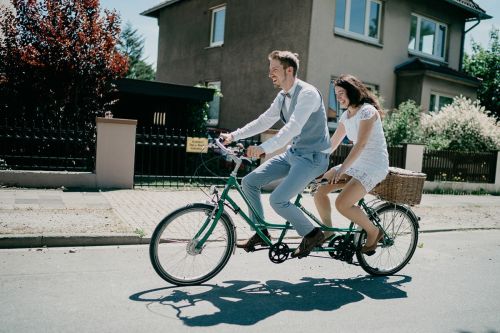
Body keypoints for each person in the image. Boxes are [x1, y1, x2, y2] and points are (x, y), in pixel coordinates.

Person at [220, 50, 331, 258]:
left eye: (275, 70)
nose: (270, 74)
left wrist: (264, 148)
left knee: (278, 199)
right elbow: (263, 121)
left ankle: (313, 233)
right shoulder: (282, 96)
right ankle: (261, 233)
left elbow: (293, 127)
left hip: (313, 158)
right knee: (249, 182)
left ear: (289, 70)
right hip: (294, 154)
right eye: (269, 70)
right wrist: (234, 135)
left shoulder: (308, 94)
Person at [313, 74, 389, 253]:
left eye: (341, 93)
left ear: (352, 92)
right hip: (357, 162)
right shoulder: (346, 116)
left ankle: (374, 232)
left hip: (374, 165)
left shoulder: (367, 111)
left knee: (342, 204)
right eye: (336, 94)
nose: (338, 98)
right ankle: (328, 230)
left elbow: (361, 144)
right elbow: (333, 143)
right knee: (319, 191)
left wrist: (343, 169)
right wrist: (314, 159)